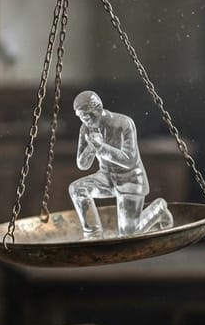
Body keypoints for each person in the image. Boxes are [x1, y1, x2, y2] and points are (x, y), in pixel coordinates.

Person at [68, 90, 173, 239]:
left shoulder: (123, 123)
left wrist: (100, 147)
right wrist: (91, 147)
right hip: (106, 178)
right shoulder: (85, 128)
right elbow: (83, 165)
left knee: (129, 235)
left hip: (130, 180)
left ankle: (158, 209)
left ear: (97, 109)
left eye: (86, 116)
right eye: (81, 117)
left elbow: (128, 160)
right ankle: (93, 235)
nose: (84, 120)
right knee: (77, 189)